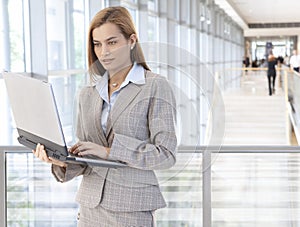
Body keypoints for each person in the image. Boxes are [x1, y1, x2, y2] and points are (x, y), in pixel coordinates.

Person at [32, 6, 177, 227]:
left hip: (132, 209)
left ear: (132, 41)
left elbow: (165, 154)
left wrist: (110, 151)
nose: (104, 52)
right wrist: (61, 161)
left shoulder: (154, 86)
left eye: (112, 42)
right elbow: (86, 159)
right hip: (90, 210)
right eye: (97, 44)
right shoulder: (88, 92)